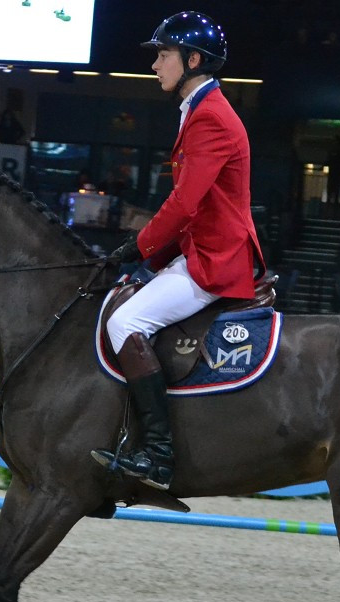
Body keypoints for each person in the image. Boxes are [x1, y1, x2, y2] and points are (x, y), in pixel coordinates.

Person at [90, 10, 265, 491]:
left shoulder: (211, 116)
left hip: (215, 259)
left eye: (162, 55)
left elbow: (185, 202)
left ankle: (158, 455)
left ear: (192, 59)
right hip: (196, 248)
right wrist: (148, 257)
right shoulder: (197, 108)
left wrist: (139, 245)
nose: (155, 65)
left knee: (125, 321)